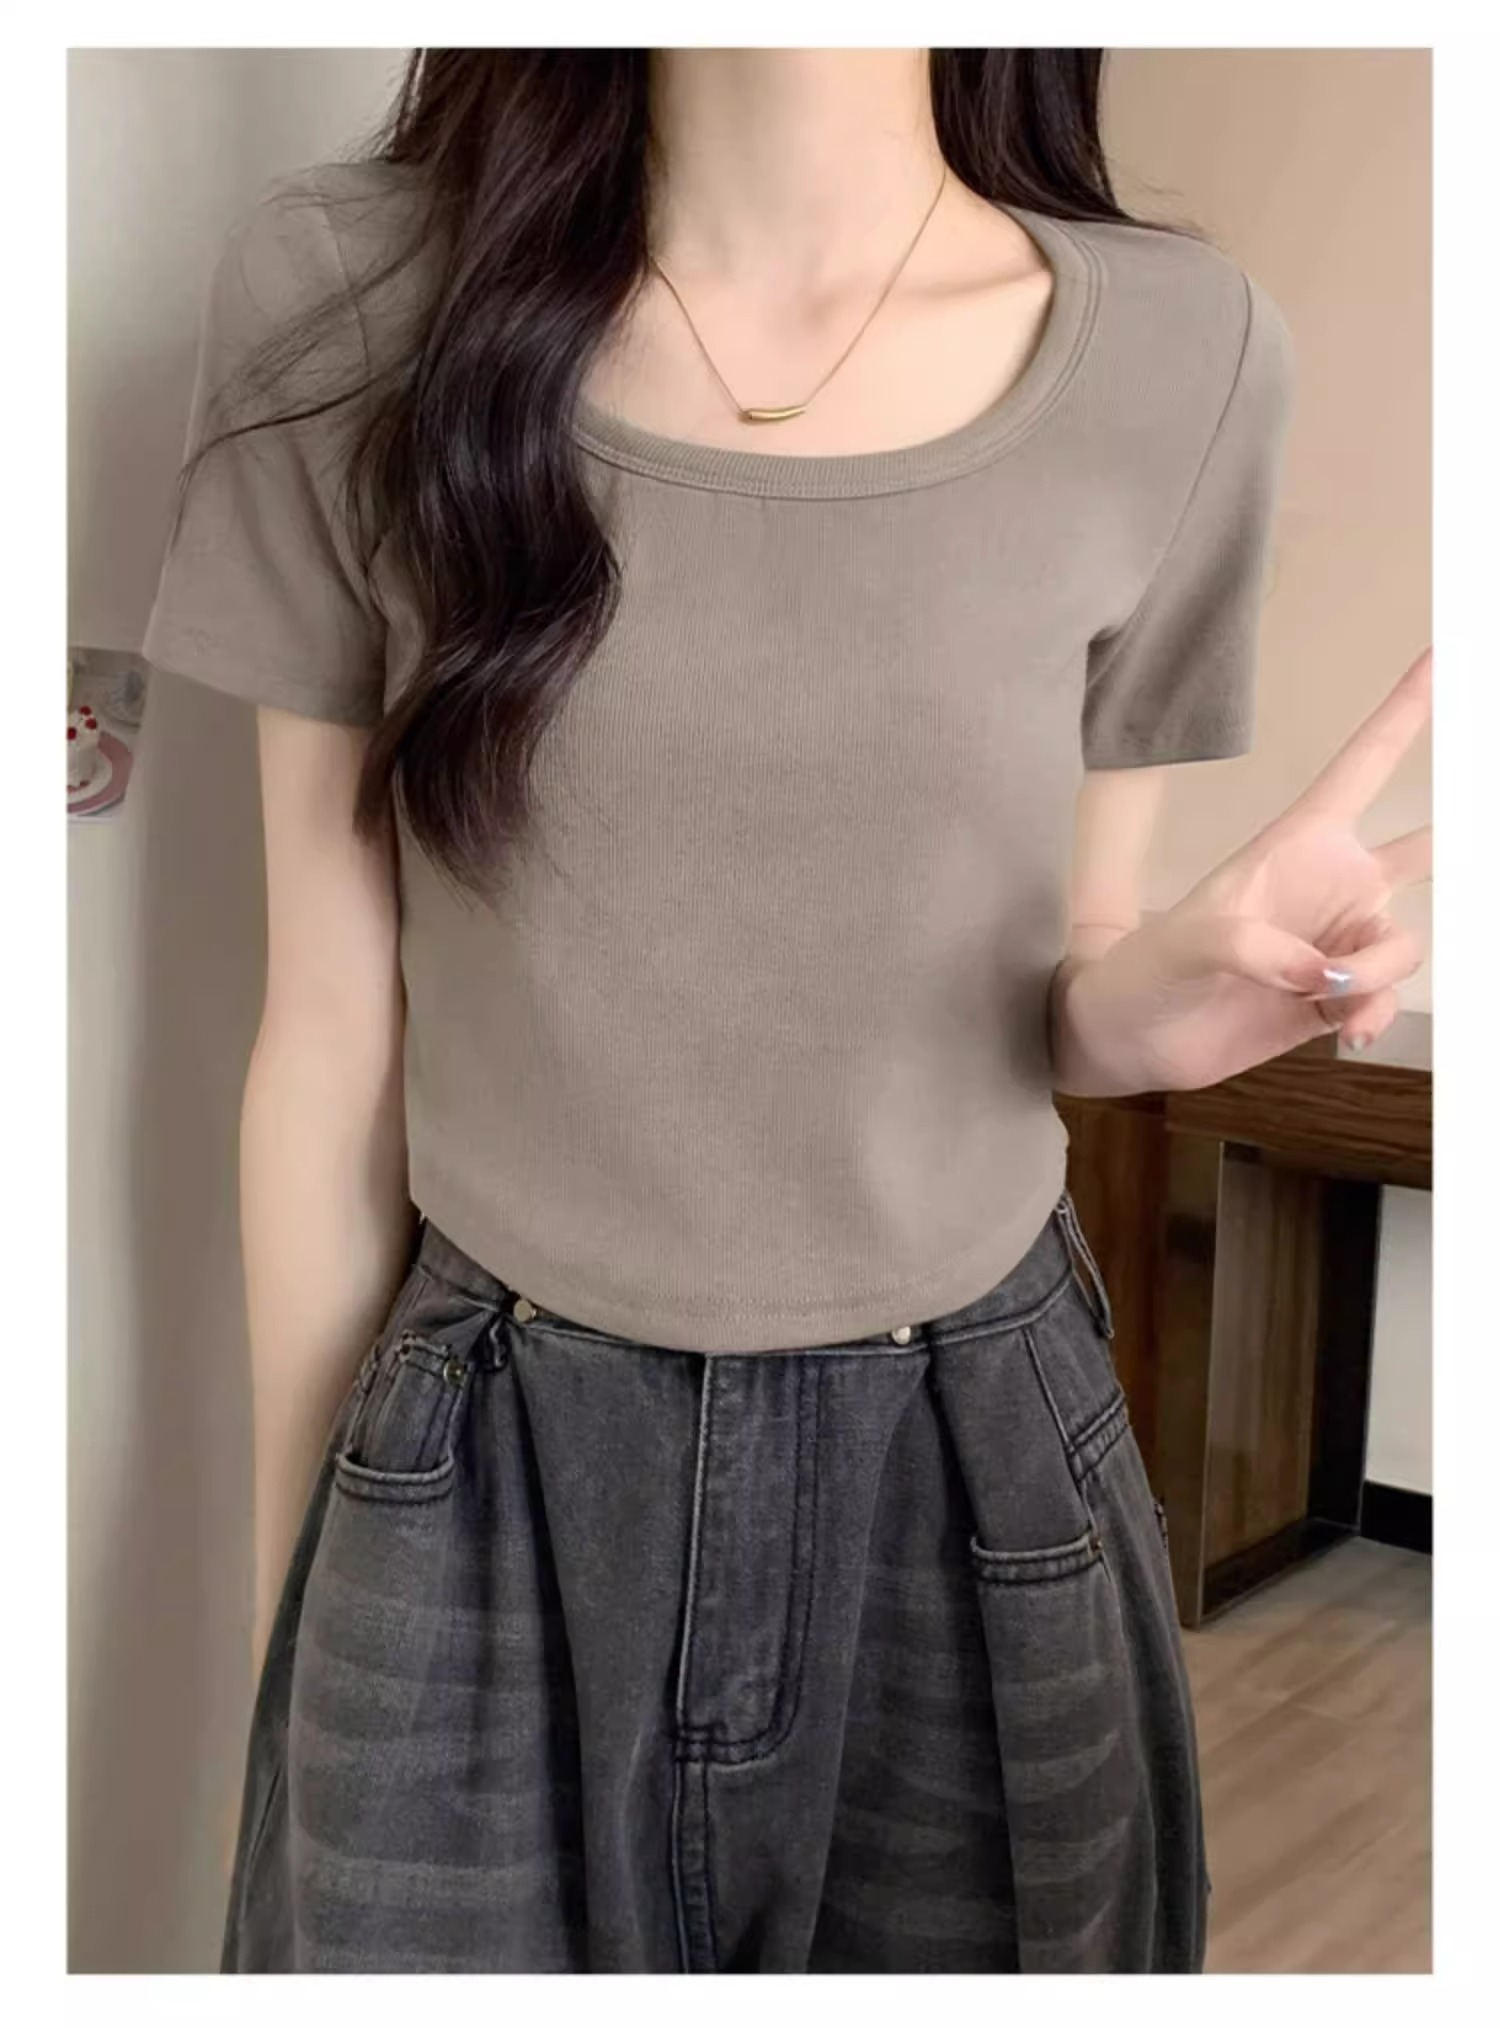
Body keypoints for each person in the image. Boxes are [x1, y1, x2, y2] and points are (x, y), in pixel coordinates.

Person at [140, 49, 1431, 1975]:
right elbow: (331, 1043)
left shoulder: (1187, 351)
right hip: (482, 1451)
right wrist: (301, 1633)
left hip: (977, 1467)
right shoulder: (347, 291)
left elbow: (1060, 976)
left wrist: (1158, 1002)